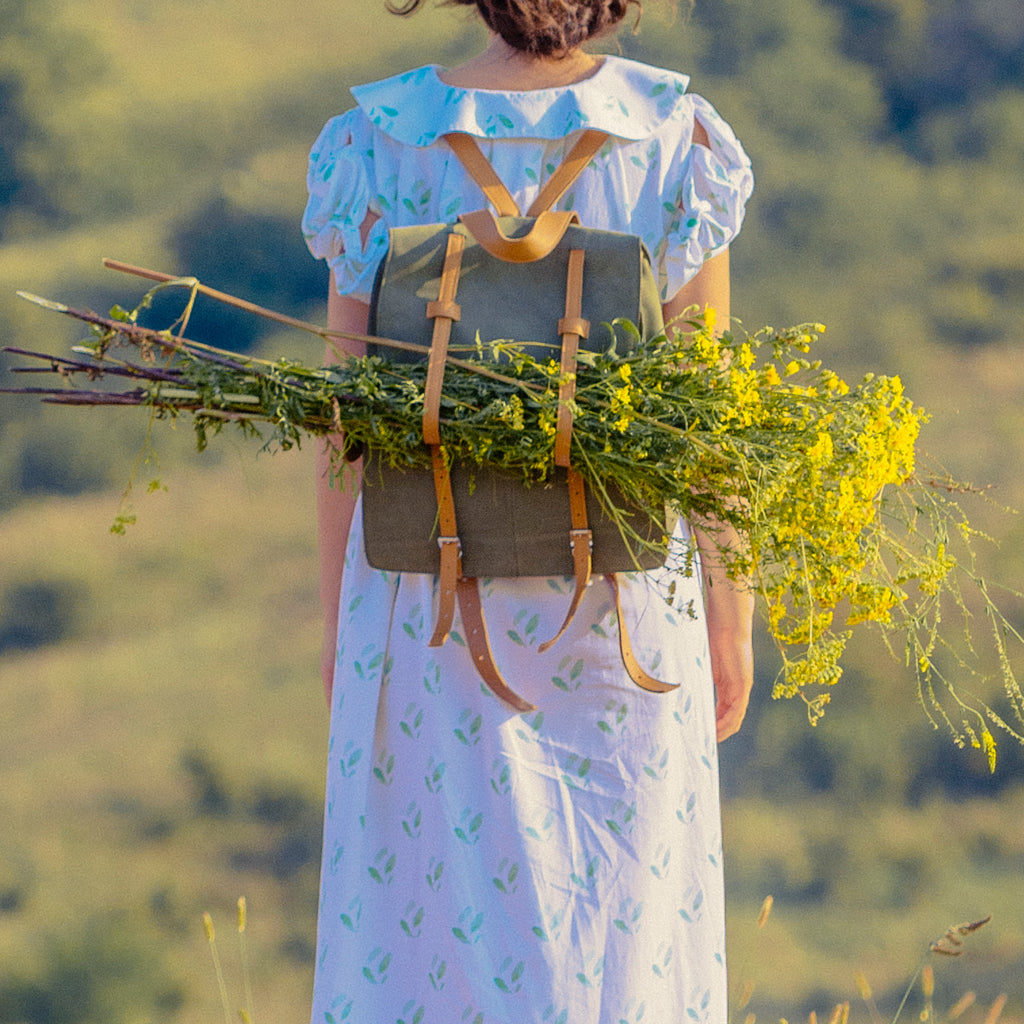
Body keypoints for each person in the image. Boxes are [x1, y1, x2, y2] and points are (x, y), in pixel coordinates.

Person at [301, 0, 755, 1019]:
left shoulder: (373, 140)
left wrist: (337, 616)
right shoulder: (674, 136)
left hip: (424, 599)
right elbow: (708, 414)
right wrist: (732, 614)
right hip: (622, 601)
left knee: (431, 930)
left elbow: (347, 418)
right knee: (619, 917)